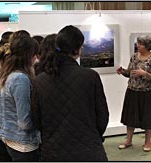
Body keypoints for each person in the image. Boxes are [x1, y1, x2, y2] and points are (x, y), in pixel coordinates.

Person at [34, 25, 109, 161]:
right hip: (88, 150)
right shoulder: (90, 76)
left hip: (53, 151)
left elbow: (35, 119)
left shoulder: (40, 80)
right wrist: (92, 136)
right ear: (78, 49)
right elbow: (102, 116)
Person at [0, 35, 41, 161]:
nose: (36, 59)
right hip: (24, 143)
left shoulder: (3, 76)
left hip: (9, 138)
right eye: (35, 54)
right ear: (29, 55)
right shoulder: (20, 79)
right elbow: (25, 122)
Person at [116, 35, 151, 152]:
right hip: (132, 91)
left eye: (140, 44)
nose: (138, 45)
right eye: (138, 43)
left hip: (147, 93)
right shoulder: (134, 57)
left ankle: (147, 142)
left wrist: (143, 73)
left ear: (147, 46)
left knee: (148, 118)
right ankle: (128, 140)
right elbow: (130, 73)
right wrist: (123, 71)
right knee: (130, 117)